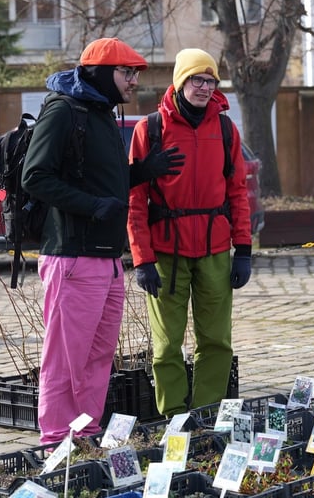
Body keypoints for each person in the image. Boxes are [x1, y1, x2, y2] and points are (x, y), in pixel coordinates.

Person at [21, 37, 183, 445]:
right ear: (100, 72)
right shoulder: (62, 111)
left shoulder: (102, 115)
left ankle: (86, 433)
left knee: (97, 358)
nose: (133, 81)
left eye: (135, 74)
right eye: (126, 73)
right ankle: (56, 441)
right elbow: (35, 177)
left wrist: (144, 171)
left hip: (108, 260)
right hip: (73, 258)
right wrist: (93, 206)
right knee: (64, 358)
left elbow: (103, 181)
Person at [127, 47, 253, 417]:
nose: (203, 87)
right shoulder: (149, 129)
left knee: (216, 341)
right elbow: (135, 200)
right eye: (196, 79)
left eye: (209, 80)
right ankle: (174, 419)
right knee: (166, 345)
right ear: (180, 82)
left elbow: (238, 192)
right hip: (166, 252)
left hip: (215, 250)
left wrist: (243, 249)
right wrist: (142, 259)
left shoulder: (226, 128)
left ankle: (208, 414)